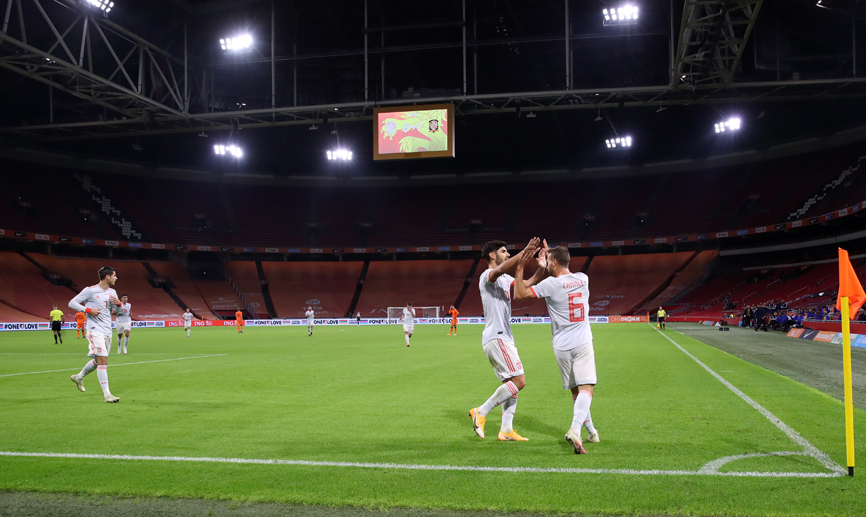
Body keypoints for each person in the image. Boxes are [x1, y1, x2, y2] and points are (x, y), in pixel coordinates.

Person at [515, 244, 600, 454]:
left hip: (561, 346)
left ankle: (591, 432)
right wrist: (551, 259)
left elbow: (519, 293)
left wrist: (525, 267)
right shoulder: (583, 278)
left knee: (575, 391)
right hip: (582, 341)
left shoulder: (550, 284)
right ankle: (575, 429)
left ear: (552, 262)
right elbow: (562, 266)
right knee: (586, 389)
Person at [468, 238, 546, 442]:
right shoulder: (488, 275)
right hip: (497, 337)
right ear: (492, 255)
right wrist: (524, 253)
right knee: (519, 381)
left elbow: (526, 285)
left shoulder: (505, 279)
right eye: (504, 251)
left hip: (502, 337)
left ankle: (506, 430)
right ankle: (481, 411)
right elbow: (501, 268)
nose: (508, 253)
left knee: (511, 385)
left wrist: (541, 269)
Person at [68, 266, 122, 403]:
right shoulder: (90, 291)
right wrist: (88, 310)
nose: (116, 278)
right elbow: (72, 303)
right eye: (114, 275)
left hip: (107, 331)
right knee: (103, 360)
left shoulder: (113, 292)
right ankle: (107, 395)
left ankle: (79, 377)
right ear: (107, 276)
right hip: (95, 330)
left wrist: (119, 304)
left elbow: (116, 311)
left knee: (99, 361)